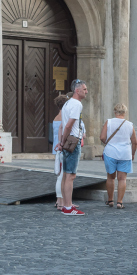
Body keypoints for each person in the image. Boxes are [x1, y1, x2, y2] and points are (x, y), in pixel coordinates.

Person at [55, 79, 88, 216]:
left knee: (65, 175)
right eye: (84, 89)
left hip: (67, 140)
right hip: (72, 141)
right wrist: (63, 141)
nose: (86, 92)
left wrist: (61, 141)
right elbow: (68, 125)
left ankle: (65, 205)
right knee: (70, 175)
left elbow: (63, 125)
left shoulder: (67, 103)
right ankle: (68, 207)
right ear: (77, 90)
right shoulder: (76, 104)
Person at [99, 103, 137, 209]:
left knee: (110, 177)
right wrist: (133, 153)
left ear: (114, 112)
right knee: (122, 179)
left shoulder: (109, 122)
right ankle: (120, 202)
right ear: (125, 113)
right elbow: (134, 142)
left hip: (110, 152)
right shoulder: (130, 125)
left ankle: (110, 200)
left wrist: (109, 143)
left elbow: (102, 137)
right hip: (125, 153)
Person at [52, 94, 70, 211]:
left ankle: (60, 200)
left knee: (60, 175)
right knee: (62, 176)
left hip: (57, 148)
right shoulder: (64, 117)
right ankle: (60, 201)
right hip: (62, 148)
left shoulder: (56, 117)